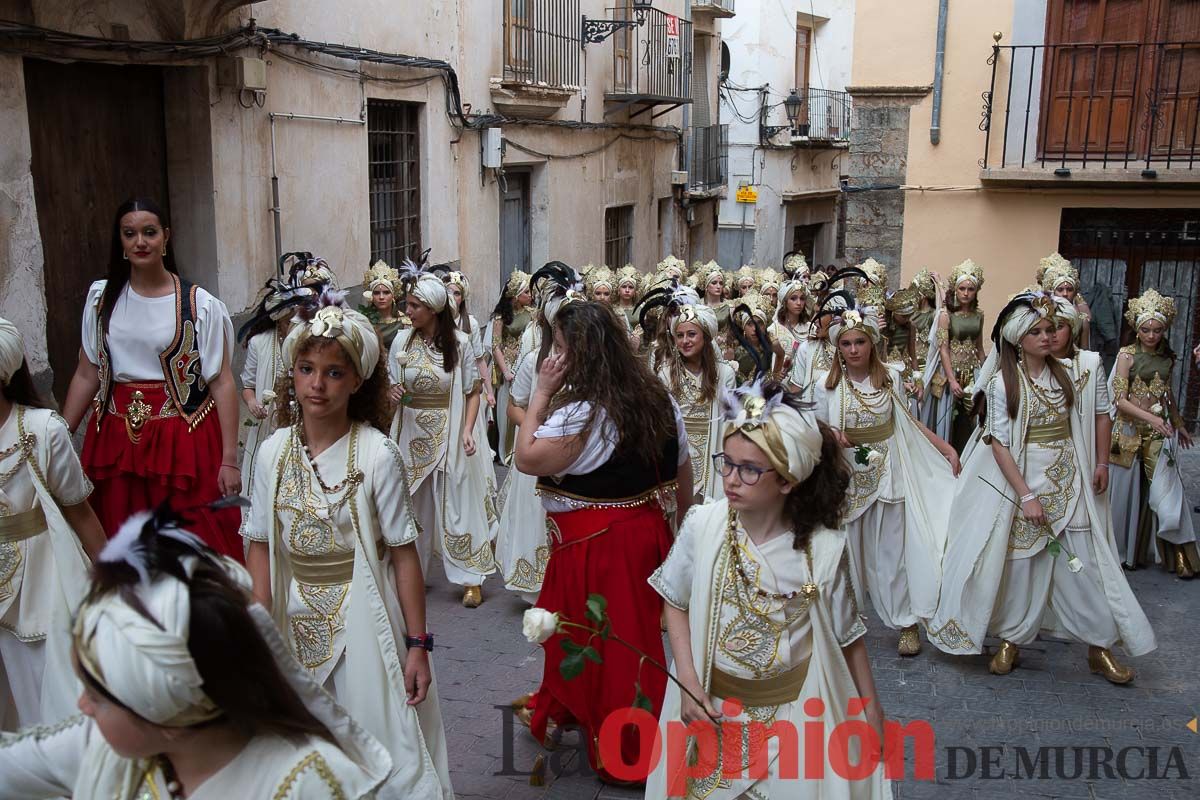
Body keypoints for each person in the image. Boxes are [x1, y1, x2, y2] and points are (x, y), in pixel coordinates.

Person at [0, 510, 393, 799]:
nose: (81, 705)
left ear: (170, 715)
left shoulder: (309, 785)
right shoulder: (108, 744)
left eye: (99, 698)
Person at [243, 290, 452, 796]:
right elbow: (260, 545)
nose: (317, 385)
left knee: (379, 747)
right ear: (291, 373)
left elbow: (404, 556)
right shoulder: (272, 453)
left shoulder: (378, 455)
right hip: (293, 620)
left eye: (334, 372)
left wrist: (417, 647)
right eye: (307, 369)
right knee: (300, 752)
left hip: (366, 615)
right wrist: (257, 630)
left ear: (357, 380)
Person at [647, 381, 891, 798]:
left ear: (787, 480)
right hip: (711, 714)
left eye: (749, 469)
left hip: (792, 722)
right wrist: (687, 680)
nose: (731, 479)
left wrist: (871, 714)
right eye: (727, 463)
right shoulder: (703, 526)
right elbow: (676, 600)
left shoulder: (824, 550)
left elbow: (849, 640)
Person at [928, 292, 1156, 683]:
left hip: (1070, 479)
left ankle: (1100, 647)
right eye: (1037, 331)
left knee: (1085, 564)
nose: (1048, 337)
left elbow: (1101, 414)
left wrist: (1100, 463)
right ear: (1019, 338)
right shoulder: (1003, 383)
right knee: (1021, 566)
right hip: (1023, 480)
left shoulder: (1073, 372)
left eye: (1051, 329)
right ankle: (1012, 639)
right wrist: (1026, 495)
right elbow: (998, 443)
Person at [514, 298, 692, 785]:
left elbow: (526, 457)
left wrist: (541, 392)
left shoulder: (583, 416)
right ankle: (573, 715)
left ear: (579, 355)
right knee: (627, 639)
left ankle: (627, 755)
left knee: (610, 645)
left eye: (561, 348)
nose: (554, 356)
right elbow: (683, 476)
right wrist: (675, 533)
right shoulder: (659, 398)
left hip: (597, 546)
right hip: (646, 533)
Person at [61, 198, 241, 560]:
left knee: (189, 541)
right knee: (118, 537)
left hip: (182, 439)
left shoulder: (199, 304)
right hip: (114, 439)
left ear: (165, 238)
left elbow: (221, 382)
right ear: (121, 242)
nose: (140, 241)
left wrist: (229, 458)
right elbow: (87, 372)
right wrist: (60, 436)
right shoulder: (101, 299)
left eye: (149, 232)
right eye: (130, 234)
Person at [814, 304, 959, 656]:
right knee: (844, 553)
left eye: (859, 342)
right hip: (846, 478)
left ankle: (906, 622)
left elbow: (909, 424)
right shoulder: (826, 385)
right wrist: (831, 434)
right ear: (839, 348)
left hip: (889, 475)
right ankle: (841, 623)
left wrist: (945, 449)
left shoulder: (890, 378)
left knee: (891, 555)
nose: (853, 350)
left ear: (872, 344)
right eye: (846, 343)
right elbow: (813, 430)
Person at [0, 319, 105, 731]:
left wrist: (115, 580)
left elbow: (80, 513)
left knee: (45, 693)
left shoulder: (43, 431)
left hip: (42, 583)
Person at [389, 266, 496, 608]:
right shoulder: (400, 341)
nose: (407, 311)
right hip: (410, 431)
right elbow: (391, 383)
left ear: (432, 309)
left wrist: (467, 431)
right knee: (410, 507)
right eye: (407, 305)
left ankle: (470, 577)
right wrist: (390, 395)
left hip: (449, 431)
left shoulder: (461, 344)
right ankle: (410, 575)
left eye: (413, 306)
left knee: (456, 504)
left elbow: (473, 391)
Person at [1108, 288, 1197, 577]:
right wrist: (1152, 419)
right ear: (1137, 328)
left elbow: (1168, 394)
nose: (1151, 335)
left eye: (1157, 330)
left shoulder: (1167, 358)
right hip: (1129, 433)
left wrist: (1179, 423)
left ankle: (1181, 557)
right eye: (1146, 329)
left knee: (1167, 494)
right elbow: (1119, 400)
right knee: (1125, 494)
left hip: (1159, 434)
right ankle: (1124, 553)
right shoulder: (1126, 356)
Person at [646, 289, 737, 503]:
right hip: (678, 452)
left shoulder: (725, 374)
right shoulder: (666, 373)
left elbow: (730, 422)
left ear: (705, 337)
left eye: (691, 334)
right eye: (680, 335)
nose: (685, 341)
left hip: (713, 451)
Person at [922, 259, 986, 453]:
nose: (966, 293)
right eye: (962, 288)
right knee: (949, 418)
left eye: (970, 289)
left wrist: (985, 375)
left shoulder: (979, 314)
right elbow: (943, 349)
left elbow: (980, 347)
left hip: (972, 370)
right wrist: (951, 380)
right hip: (951, 372)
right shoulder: (945, 315)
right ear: (956, 290)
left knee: (972, 417)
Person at [490, 271, 534, 464]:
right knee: (507, 409)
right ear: (516, 295)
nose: (531, 296)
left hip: (527, 362)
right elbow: (495, 345)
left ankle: (522, 447)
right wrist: (505, 370)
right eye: (526, 292)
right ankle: (506, 451)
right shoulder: (501, 317)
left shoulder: (533, 314)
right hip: (508, 367)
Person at [1040, 253, 1092, 350]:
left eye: (1069, 289)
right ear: (1052, 291)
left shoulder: (1081, 318)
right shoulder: (1042, 314)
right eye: (1060, 289)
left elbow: (1084, 350)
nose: (1065, 293)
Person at [359, 260, 409, 350]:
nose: (381, 297)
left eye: (386, 293)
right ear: (371, 295)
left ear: (393, 295)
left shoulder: (405, 323)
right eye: (377, 293)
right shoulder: (363, 322)